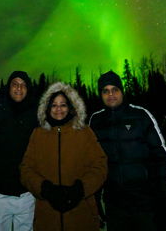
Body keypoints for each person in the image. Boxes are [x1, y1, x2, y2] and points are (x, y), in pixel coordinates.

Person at [88, 70, 166, 230]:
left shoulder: (141, 116)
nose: (111, 94)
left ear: (122, 91)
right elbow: (93, 163)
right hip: (114, 205)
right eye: (105, 91)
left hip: (145, 202)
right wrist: (94, 198)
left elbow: (162, 157)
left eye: (115, 89)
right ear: (101, 95)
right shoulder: (96, 121)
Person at [20, 82, 108, 231]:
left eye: (63, 105)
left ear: (70, 107)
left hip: (81, 215)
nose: (58, 109)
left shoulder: (84, 131)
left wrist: (80, 189)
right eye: (54, 105)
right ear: (47, 109)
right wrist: (45, 189)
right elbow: (26, 169)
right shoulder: (38, 133)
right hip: (47, 218)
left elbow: (100, 166)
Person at [0, 71, 40, 230]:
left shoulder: (35, 115)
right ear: (9, 87)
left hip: (26, 195)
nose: (19, 88)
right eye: (15, 83)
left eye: (24, 84)